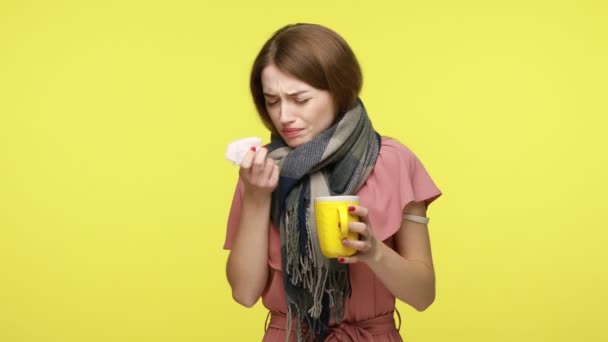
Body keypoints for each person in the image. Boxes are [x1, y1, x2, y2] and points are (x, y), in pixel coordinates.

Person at [224, 23, 442, 342]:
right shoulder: (261, 170)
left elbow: (423, 295)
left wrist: (373, 252)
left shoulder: (394, 161)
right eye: (272, 101)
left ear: (338, 91)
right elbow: (244, 293)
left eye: (300, 99)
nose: (284, 116)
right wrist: (257, 199)